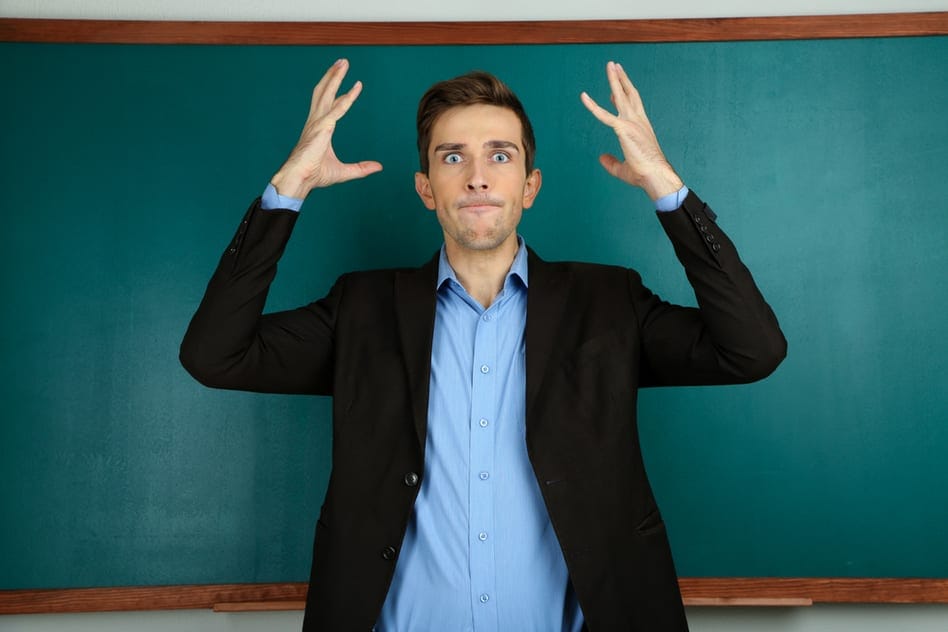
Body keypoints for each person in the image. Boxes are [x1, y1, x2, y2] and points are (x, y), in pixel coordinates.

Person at [180, 58, 786, 632]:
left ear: (530, 185)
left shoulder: (608, 303)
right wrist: (288, 189)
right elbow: (214, 354)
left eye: (500, 155)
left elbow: (752, 350)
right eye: (452, 157)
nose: (476, 175)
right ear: (425, 187)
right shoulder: (361, 309)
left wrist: (665, 187)